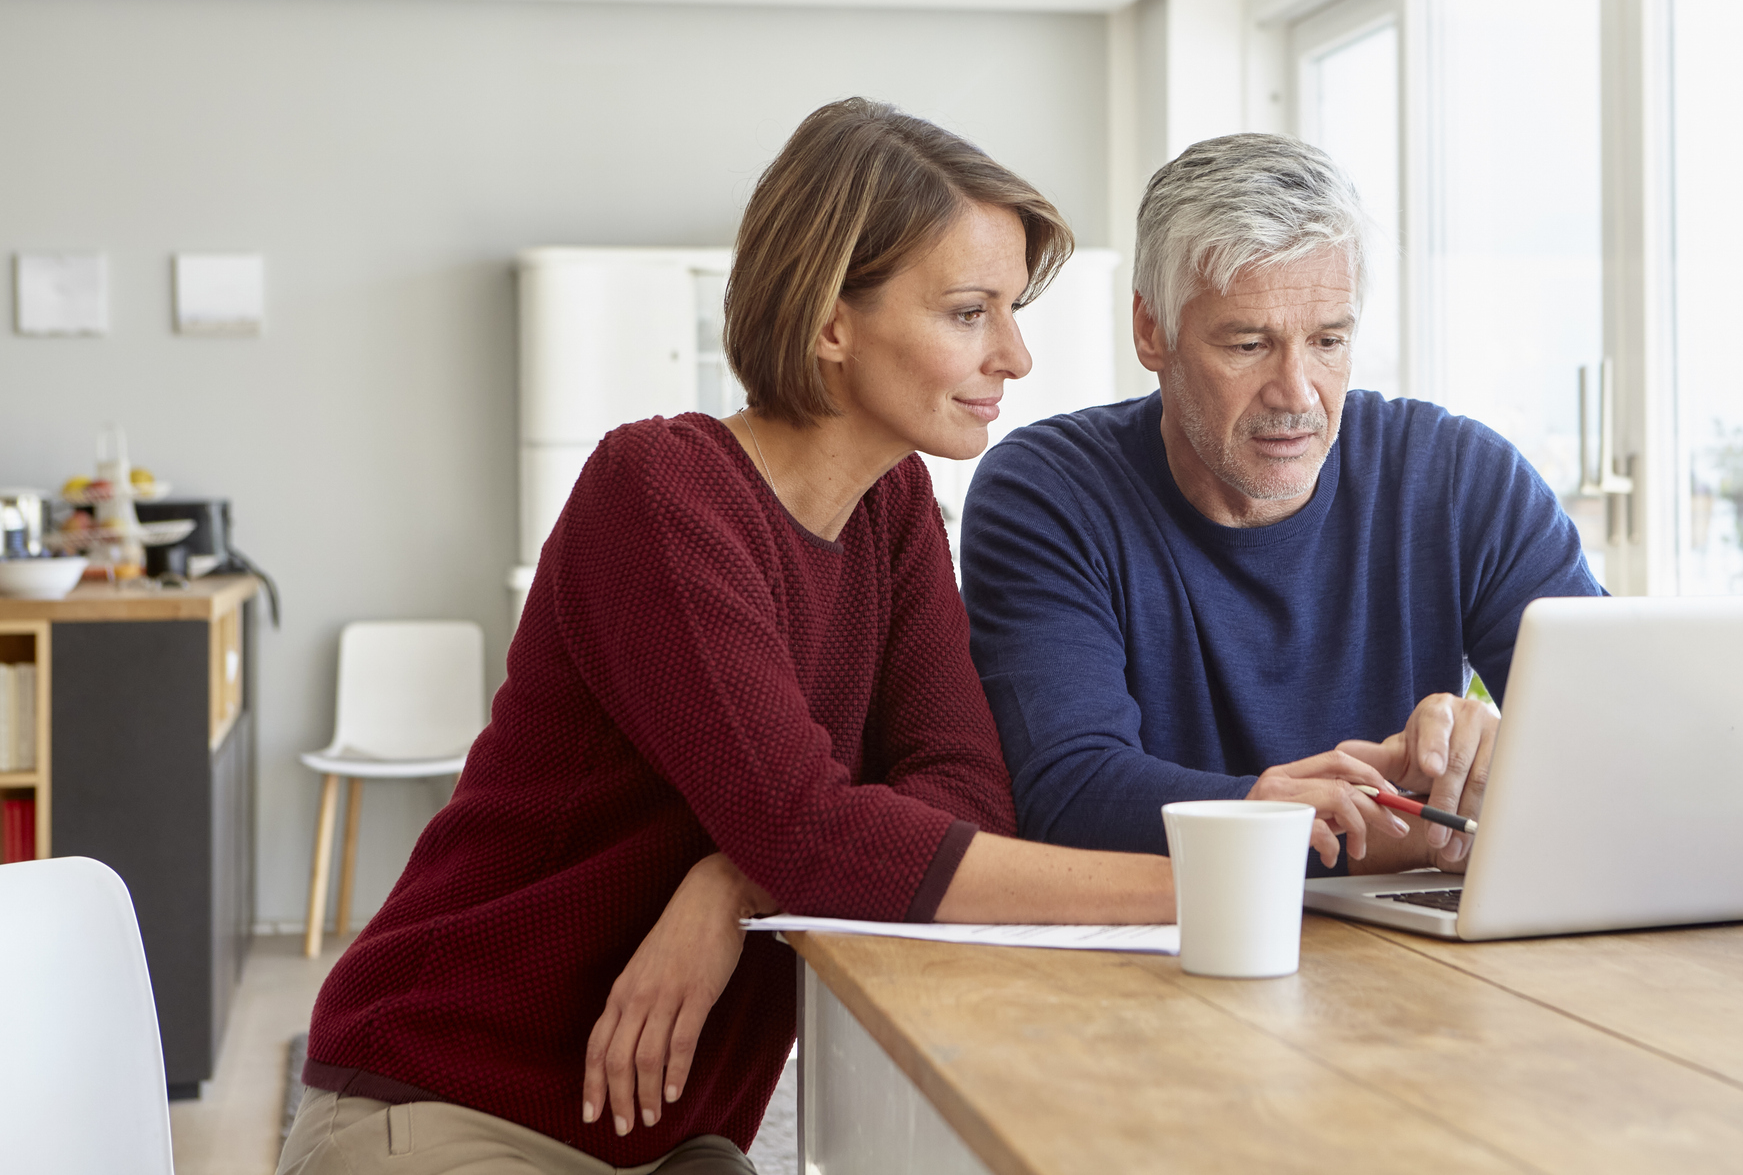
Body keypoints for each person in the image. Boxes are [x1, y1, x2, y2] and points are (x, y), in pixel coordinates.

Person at [279, 99, 1215, 1175]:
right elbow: (807, 833)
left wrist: (733, 879)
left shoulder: (891, 507)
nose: (1015, 355)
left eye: (1012, 310)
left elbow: (963, 784)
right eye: (970, 311)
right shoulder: (661, 490)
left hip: (673, 1136)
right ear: (830, 321)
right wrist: (1203, 886)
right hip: (450, 1095)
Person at [959, 132, 1604, 880]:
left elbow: (1614, 740)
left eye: (1328, 340)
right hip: (1168, 953)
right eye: (1247, 345)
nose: (1297, 395)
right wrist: (1305, 814)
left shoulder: (1459, 477)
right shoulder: (1049, 492)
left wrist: (1489, 757)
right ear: (1151, 330)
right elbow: (1068, 793)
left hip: (1406, 948)